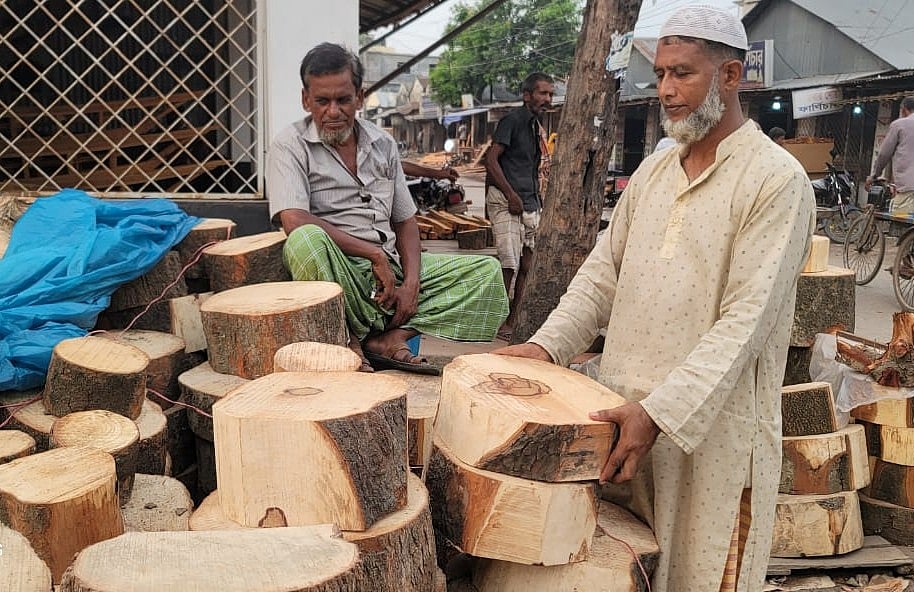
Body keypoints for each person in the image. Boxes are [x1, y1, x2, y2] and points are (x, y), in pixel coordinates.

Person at [496, 6, 815, 591]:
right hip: (623, 422)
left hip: (711, 438)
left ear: (730, 76)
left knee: (701, 575)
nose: (666, 91)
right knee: (625, 573)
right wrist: (546, 348)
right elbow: (600, 276)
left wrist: (660, 413)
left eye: (683, 74)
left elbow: (745, 323)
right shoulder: (654, 170)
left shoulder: (776, 180)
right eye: (662, 73)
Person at [266, 42, 509, 374]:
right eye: (322, 101)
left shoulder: (382, 143)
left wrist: (410, 283)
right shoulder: (288, 145)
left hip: (390, 272)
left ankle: (390, 337)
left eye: (343, 100)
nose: (333, 111)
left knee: (485, 273)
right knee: (304, 240)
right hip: (341, 274)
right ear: (306, 99)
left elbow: (405, 220)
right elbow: (293, 219)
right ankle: (346, 338)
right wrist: (372, 254)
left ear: (360, 97)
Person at [485, 72, 555, 342]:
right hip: (507, 200)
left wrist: (535, 200)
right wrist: (510, 194)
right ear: (527, 96)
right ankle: (496, 319)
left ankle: (513, 321)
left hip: (528, 201)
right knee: (509, 265)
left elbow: (534, 169)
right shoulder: (512, 121)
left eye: (550, 94)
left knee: (528, 264)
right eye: (542, 93)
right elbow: (491, 160)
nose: (547, 99)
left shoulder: (537, 126)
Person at [866, 95, 914, 213]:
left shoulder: (898, 125)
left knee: (899, 218)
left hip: (911, 183)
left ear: (903, 109)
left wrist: (874, 175)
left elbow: (884, 154)